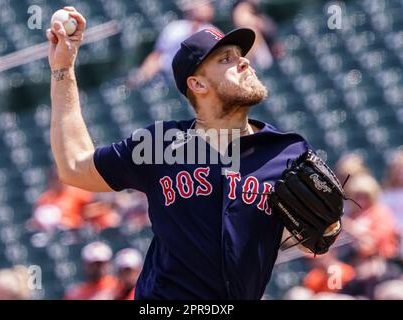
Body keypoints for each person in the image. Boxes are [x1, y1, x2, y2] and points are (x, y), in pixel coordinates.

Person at [46, 7, 339, 299]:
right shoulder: (160, 144)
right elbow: (74, 166)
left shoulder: (286, 152)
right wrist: (63, 69)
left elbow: (312, 242)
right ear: (197, 84)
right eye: (227, 58)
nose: (244, 62)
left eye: (241, 55)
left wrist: (329, 226)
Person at [128, 0, 216, 86]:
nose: (207, 6)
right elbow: (156, 57)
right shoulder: (174, 28)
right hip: (167, 79)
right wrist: (140, 77)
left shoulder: (213, 32)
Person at [231, 0, 283, 70]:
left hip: (267, 60)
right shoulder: (241, 8)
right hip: (254, 63)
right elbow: (244, 22)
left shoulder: (258, 13)